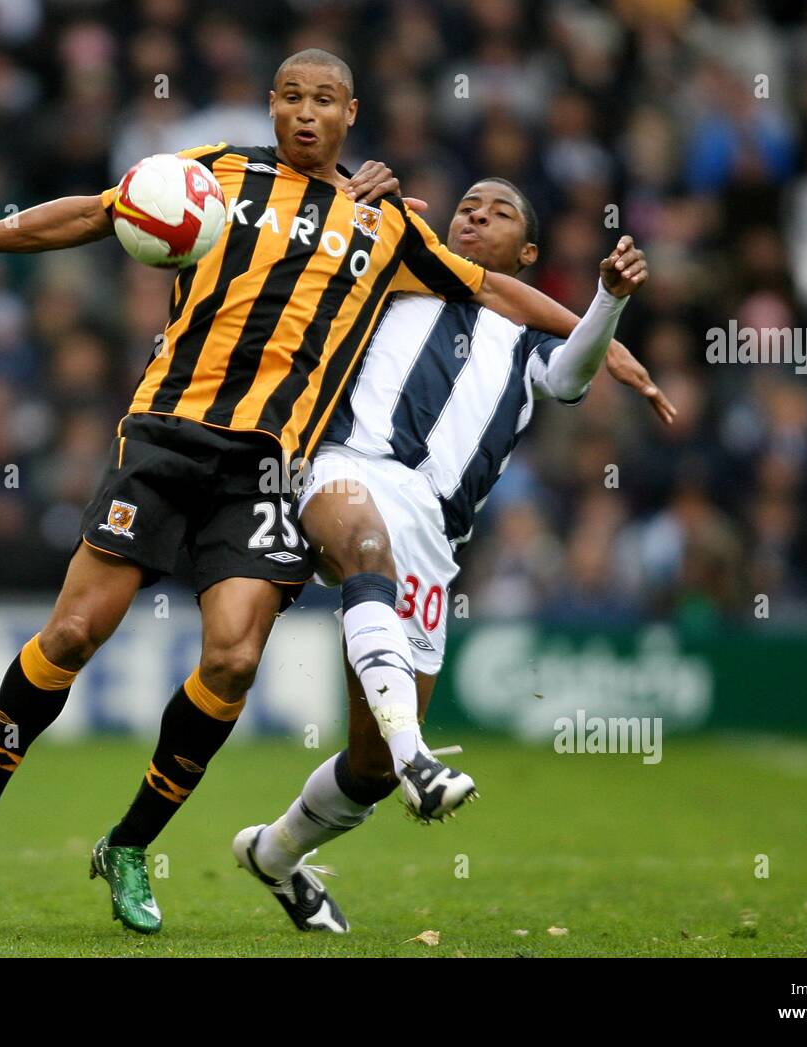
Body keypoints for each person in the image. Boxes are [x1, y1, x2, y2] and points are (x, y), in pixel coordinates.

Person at [0, 48, 636, 936]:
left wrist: (603, 335)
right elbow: (86, 214)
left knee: (231, 659)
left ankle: (128, 846)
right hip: (165, 433)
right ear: (271, 107)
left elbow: (494, 286)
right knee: (73, 631)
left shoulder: (386, 226)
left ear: (353, 113)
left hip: (271, 466)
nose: (307, 114)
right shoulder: (215, 177)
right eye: (292, 98)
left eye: (325, 102)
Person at [231, 179, 668, 932]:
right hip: (349, 464)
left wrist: (608, 299)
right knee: (364, 554)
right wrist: (349, 195)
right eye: (468, 204)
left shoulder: (532, 341)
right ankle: (420, 761)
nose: (476, 214)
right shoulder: (397, 275)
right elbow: (324, 252)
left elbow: (571, 377)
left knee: (363, 772)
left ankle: (273, 852)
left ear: (528, 252)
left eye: (500, 211)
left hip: (435, 533)